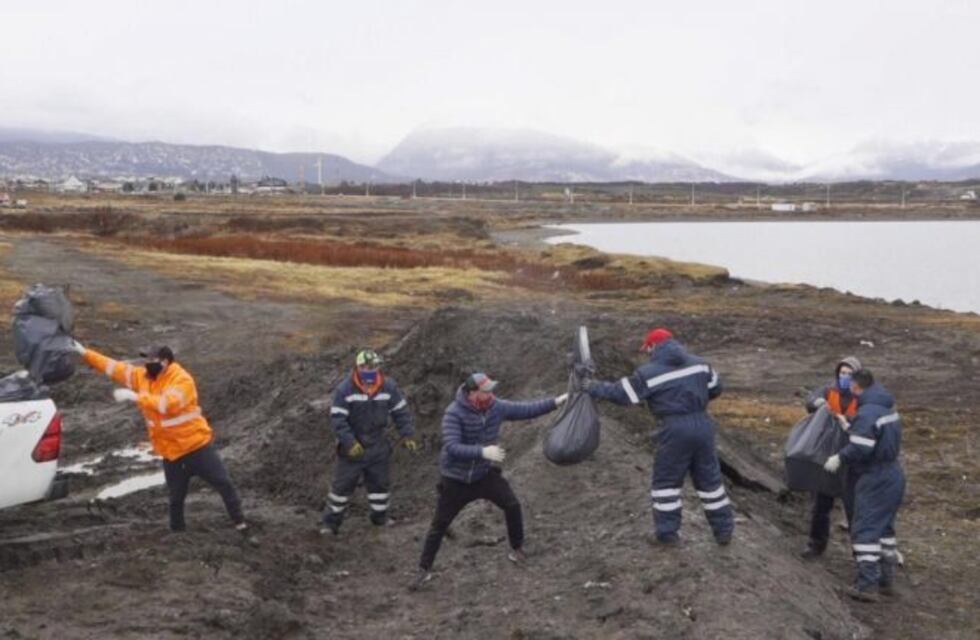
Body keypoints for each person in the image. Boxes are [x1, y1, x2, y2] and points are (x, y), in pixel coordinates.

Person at [72, 341, 254, 541]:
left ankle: (241, 525)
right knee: (175, 497)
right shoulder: (144, 376)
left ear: (166, 362)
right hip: (171, 452)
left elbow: (167, 405)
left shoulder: (182, 380)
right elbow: (114, 367)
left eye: (152, 360)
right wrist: (83, 352)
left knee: (224, 484)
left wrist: (135, 397)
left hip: (196, 448)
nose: (147, 363)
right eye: (146, 359)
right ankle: (178, 534)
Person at [410, 372, 566, 590]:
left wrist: (555, 402)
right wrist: (483, 451)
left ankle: (517, 549)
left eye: (491, 390)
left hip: (483, 475)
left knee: (512, 505)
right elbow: (452, 447)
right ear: (472, 393)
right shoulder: (453, 414)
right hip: (455, 479)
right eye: (486, 391)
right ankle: (423, 569)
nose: (491, 394)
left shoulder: (495, 406)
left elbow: (525, 410)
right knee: (439, 525)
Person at [583, 328, 732, 546]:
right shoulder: (701, 363)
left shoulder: (649, 373)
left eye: (647, 350)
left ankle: (667, 534)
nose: (647, 354)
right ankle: (724, 531)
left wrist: (592, 387)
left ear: (653, 346)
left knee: (667, 482)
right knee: (710, 480)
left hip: (674, 428)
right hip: (703, 425)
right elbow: (716, 389)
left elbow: (623, 395)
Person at [824, 369, 905, 602]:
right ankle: (886, 580)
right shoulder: (886, 406)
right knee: (885, 529)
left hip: (875, 476)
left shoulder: (868, 412)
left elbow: (861, 447)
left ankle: (866, 585)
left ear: (857, 387)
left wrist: (839, 457)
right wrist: (850, 425)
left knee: (865, 527)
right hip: (893, 475)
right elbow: (877, 437)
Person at [322, 349, 417, 535]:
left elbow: (401, 412)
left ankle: (379, 520)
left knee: (380, 485)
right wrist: (350, 442)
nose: (370, 370)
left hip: (378, 444)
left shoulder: (388, 387)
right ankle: (330, 524)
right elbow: (338, 420)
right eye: (366, 367)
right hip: (352, 448)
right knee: (341, 487)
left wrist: (407, 435)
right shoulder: (345, 389)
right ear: (358, 367)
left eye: (373, 366)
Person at [800, 356, 862, 559]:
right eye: (842, 373)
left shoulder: (862, 397)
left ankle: (860, 552)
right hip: (829, 455)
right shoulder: (829, 390)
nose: (845, 377)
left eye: (849, 374)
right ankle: (816, 544)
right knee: (821, 505)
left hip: (852, 459)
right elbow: (810, 401)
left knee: (855, 509)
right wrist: (817, 403)